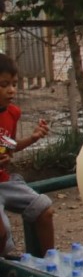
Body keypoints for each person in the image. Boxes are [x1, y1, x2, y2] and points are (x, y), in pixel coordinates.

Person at [0, 54, 54, 256]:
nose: (11, 90)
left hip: (4, 181)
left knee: (44, 210)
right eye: (4, 85)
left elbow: (8, 146)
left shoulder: (11, 113)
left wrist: (33, 138)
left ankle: (51, 263)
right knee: (1, 231)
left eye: (14, 84)